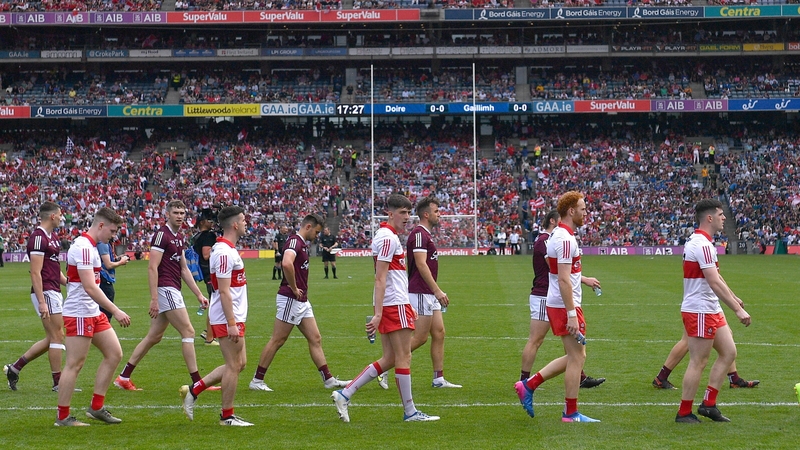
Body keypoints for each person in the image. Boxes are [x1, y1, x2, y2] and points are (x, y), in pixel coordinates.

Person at [332, 194, 439, 423]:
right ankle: (410, 412)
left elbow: (391, 277)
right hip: (394, 304)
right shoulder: (388, 238)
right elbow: (380, 278)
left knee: (390, 358)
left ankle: (345, 393)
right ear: (390, 213)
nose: (407, 217)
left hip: (397, 303)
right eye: (402, 213)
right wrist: (379, 313)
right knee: (404, 357)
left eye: (408, 213)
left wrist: (406, 305)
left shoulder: (386, 236)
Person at [514, 191, 602, 423]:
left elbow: (557, 271)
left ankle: (530, 385)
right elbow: (562, 279)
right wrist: (572, 313)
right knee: (576, 358)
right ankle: (569, 412)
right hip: (565, 306)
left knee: (576, 355)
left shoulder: (558, 236)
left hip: (560, 303)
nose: (586, 213)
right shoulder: (564, 239)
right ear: (571, 211)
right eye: (582, 209)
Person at [114, 200, 209, 391]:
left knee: (154, 337)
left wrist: (198, 294)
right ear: (167, 214)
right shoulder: (161, 236)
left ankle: (123, 377)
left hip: (173, 288)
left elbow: (183, 269)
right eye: (176, 212)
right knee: (188, 332)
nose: (180, 216)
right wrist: (154, 298)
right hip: (166, 288)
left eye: (182, 212)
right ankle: (198, 383)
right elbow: (152, 267)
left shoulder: (179, 237)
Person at [249, 214, 349, 392]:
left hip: (301, 300)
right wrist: (294, 288)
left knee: (315, 338)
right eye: (316, 232)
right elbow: (286, 263)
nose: (317, 236)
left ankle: (329, 379)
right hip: (291, 298)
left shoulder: (301, 243)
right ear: (308, 227)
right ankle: (257, 380)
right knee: (278, 340)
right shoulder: (295, 242)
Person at [675, 199, 752, 423]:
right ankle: (684, 412)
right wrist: (737, 309)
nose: (724, 217)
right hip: (700, 310)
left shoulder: (702, 242)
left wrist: (734, 296)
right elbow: (713, 281)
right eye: (720, 214)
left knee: (729, 353)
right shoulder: (702, 245)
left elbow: (717, 277)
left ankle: (709, 404)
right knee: (698, 361)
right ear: (709, 218)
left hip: (709, 308)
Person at [55, 207, 131, 426]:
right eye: (113, 230)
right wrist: (115, 311)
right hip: (80, 312)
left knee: (114, 353)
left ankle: (96, 407)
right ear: (101, 226)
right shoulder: (84, 248)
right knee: (74, 364)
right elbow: (89, 286)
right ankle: (63, 417)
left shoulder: (92, 247)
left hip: (92, 311)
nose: (114, 235)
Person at [180, 206, 253, 426]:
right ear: (235, 225)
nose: (246, 222)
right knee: (233, 365)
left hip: (235, 316)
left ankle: (194, 390)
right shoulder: (222, 252)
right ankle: (227, 416)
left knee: (240, 364)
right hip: (226, 318)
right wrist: (231, 323)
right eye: (243, 219)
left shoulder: (227, 250)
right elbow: (222, 291)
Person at [5, 202, 68, 392]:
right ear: (51, 216)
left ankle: (14, 369)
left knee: (53, 338)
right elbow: (35, 272)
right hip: (45, 291)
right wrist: (42, 301)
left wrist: (70, 283)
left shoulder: (53, 238)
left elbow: (54, 268)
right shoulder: (38, 238)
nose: (61, 217)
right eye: (59, 215)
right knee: (57, 336)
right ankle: (58, 383)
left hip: (54, 289)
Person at [407, 196, 461, 389]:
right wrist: (437, 290)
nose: (440, 214)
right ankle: (387, 365)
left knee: (439, 333)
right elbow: (421, 264)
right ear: (426, 214)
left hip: (428, 293)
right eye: (436, 211)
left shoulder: (426, 234)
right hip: (421, 292)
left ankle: (438, 379)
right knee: (420, 338)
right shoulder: (419, 234)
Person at [653, 335, 759, 390]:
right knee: (688, 341)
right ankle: (661, 378)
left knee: (727, 336)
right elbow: (717, 291)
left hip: (705, 305)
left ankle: (734, 379)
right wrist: (736, 306)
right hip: (700, 306)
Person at [193, 210, 219, 346]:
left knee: (215, 302)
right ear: (203, 222)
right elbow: (206, 254)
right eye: (210, 220)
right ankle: (210, 338)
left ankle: (209, 331)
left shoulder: (197, 236)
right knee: (215, 304)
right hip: (210, 272)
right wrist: (219, 246)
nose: (212, 223)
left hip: (204, 272)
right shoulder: (208, 236)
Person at [97, 235, 130, 321]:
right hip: (104, 279)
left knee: (103, 314)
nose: (115, 234)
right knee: (105, 316)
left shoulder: (106, 243)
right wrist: (121, 262)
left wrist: (119, 259)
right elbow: (108, 265)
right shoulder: (103, 243)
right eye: (113, 231)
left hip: (104, 279)